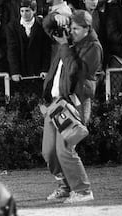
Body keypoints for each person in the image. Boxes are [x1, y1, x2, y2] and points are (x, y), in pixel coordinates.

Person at [42, 10, 101, 203]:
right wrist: (55, 15)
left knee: (65, 149)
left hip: (74, 102)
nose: (71, 31)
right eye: (70, 27)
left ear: (87, 29)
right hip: (56, 102)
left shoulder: (93, 47)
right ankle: (65, 187)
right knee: (49, 151)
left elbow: (76, 71)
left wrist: (66, 45)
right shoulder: (68, 40)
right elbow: (47, 26)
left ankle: (83, 191)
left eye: (76, 28)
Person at [5, 0, 51, 82]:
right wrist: (15, 71)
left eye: (27, 11)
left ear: (34, 11)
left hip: (37, 71)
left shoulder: (41, 26)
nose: (24, 14)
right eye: (22, 11)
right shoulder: (12, 27)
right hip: (21, 69)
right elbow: (12, 50)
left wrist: (45, 69)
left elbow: (46, 50)